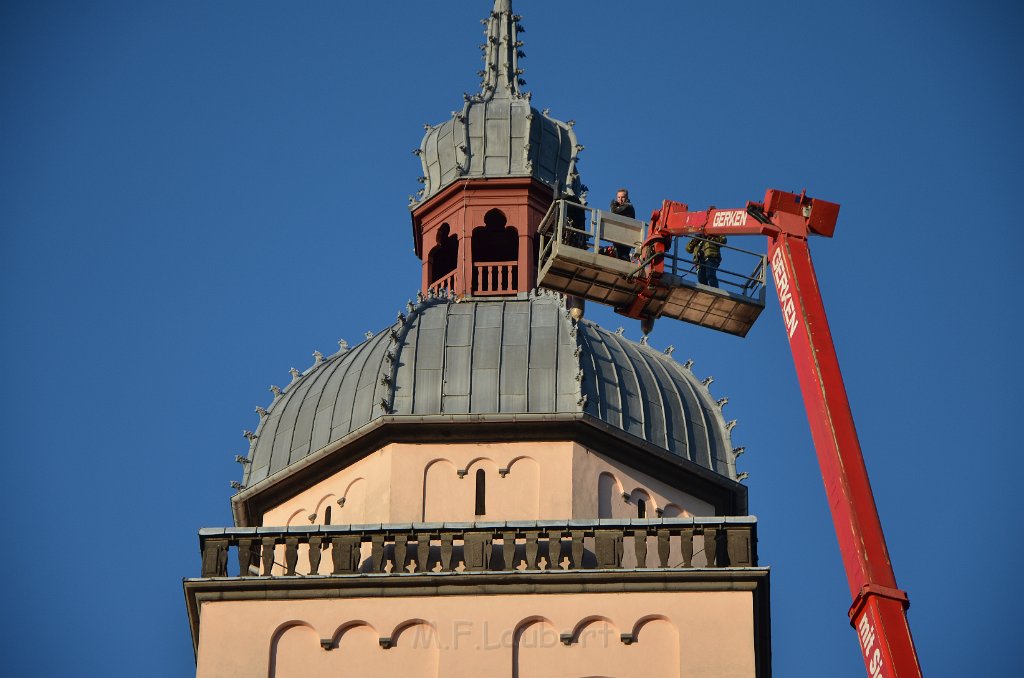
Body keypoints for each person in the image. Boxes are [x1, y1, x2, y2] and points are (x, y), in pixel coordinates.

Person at [608, 188, 635, 260]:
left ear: (627, 198)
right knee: (618, 255)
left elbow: (614, 211)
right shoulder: (622, 207)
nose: (620, 199)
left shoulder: (628, 206)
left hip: (625, 237)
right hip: (619, 236)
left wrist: (612, 204)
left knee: (623, 256)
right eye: (618, 197)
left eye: (622, 197)